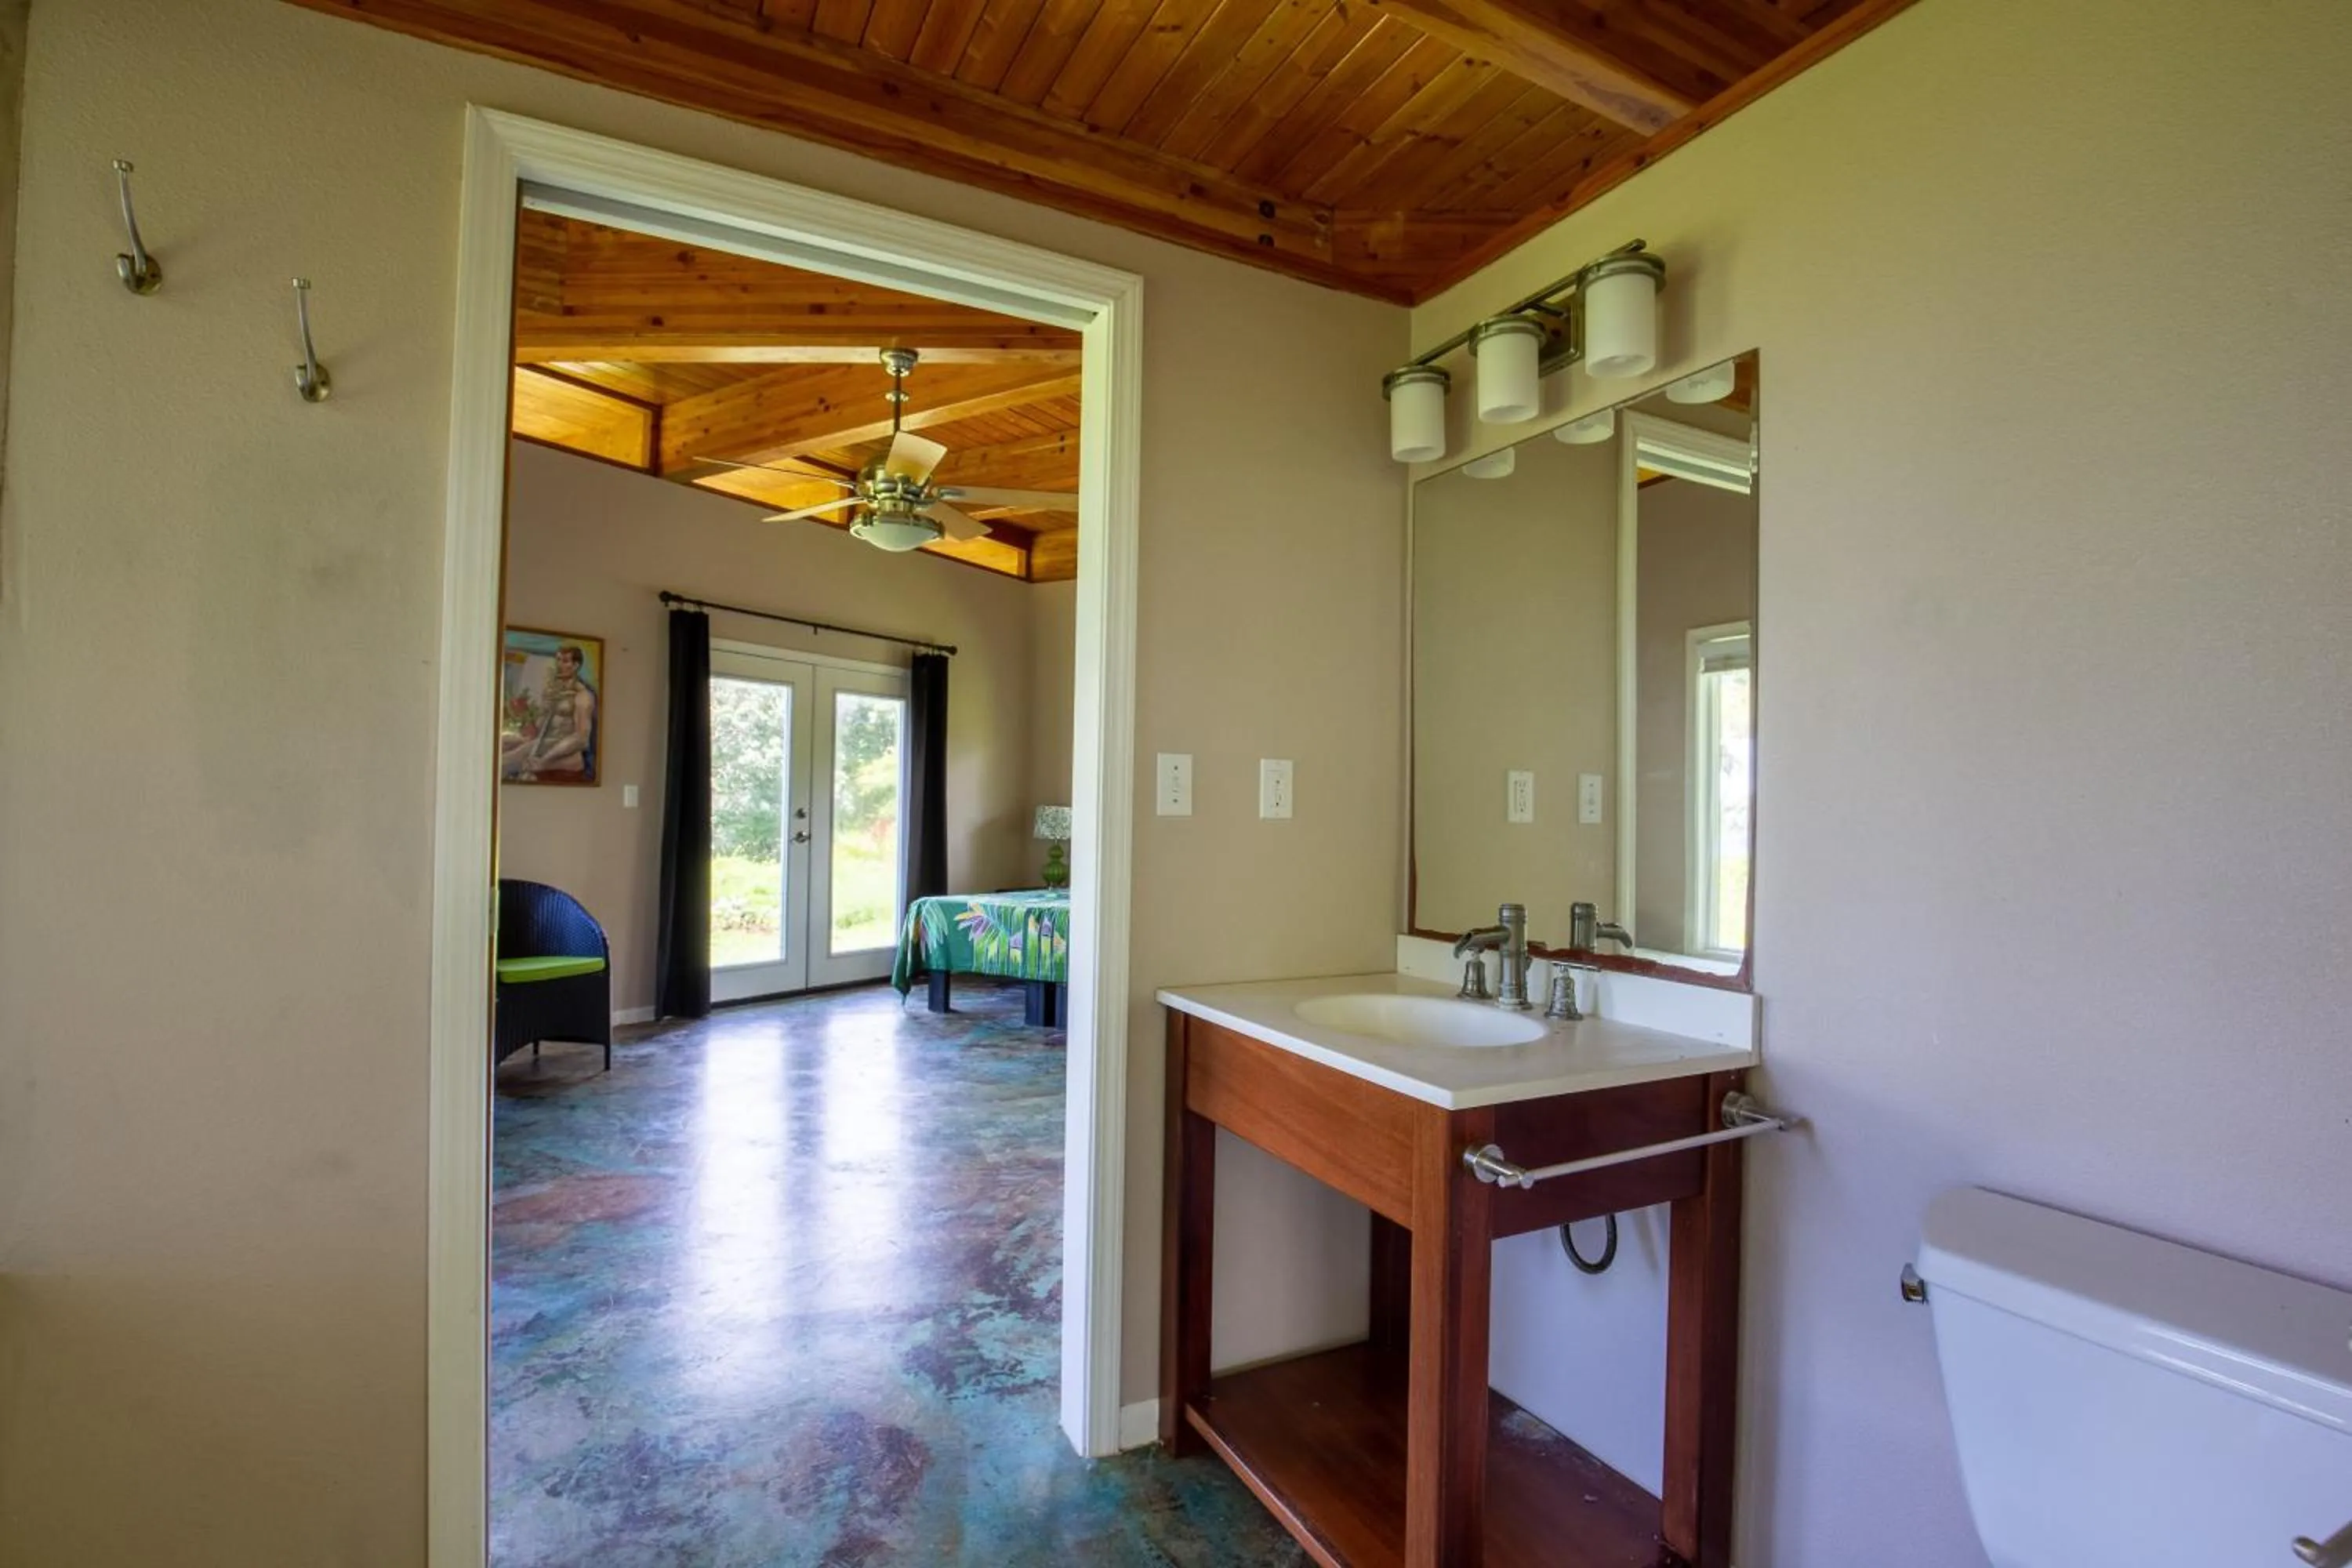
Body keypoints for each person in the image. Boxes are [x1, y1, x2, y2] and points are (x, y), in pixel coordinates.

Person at [503, 643, 597, 781]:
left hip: (562, 750)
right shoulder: (553, 691)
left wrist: (545, 760)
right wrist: (524, 721)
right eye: (558, 660)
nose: (559, 664)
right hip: (543, 743)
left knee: (505, 761)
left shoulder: (583, 696)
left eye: (565, 661)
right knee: (503, 742)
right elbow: (540, 727)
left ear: (576, 666)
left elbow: (581, 739)